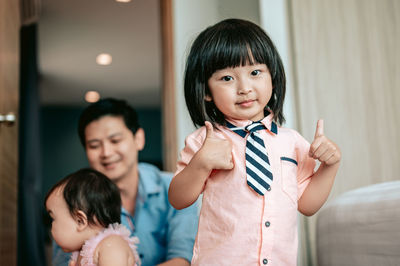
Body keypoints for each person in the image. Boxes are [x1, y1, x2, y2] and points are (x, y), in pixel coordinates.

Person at [168, 18, 341, 265]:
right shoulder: (204, 143)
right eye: (227, 78)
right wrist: (200, 164)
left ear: (272, 76)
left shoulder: (291, 142)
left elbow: (307, 205)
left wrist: (329, 167)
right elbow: (177, 199)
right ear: (206, 91)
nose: (244, 88)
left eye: (255, 73)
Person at [53, 98, 198, 266]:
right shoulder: (72, 200)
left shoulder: (174, 188)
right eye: (94, 145)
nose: (106, 152)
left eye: (115, 141)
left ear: (139, 139)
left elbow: (183, 260)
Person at [45, 168, 140, 266]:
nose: (51, 227)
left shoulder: (111, 246)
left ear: (80, 221)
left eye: (53, 219)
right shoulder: (81, 252)